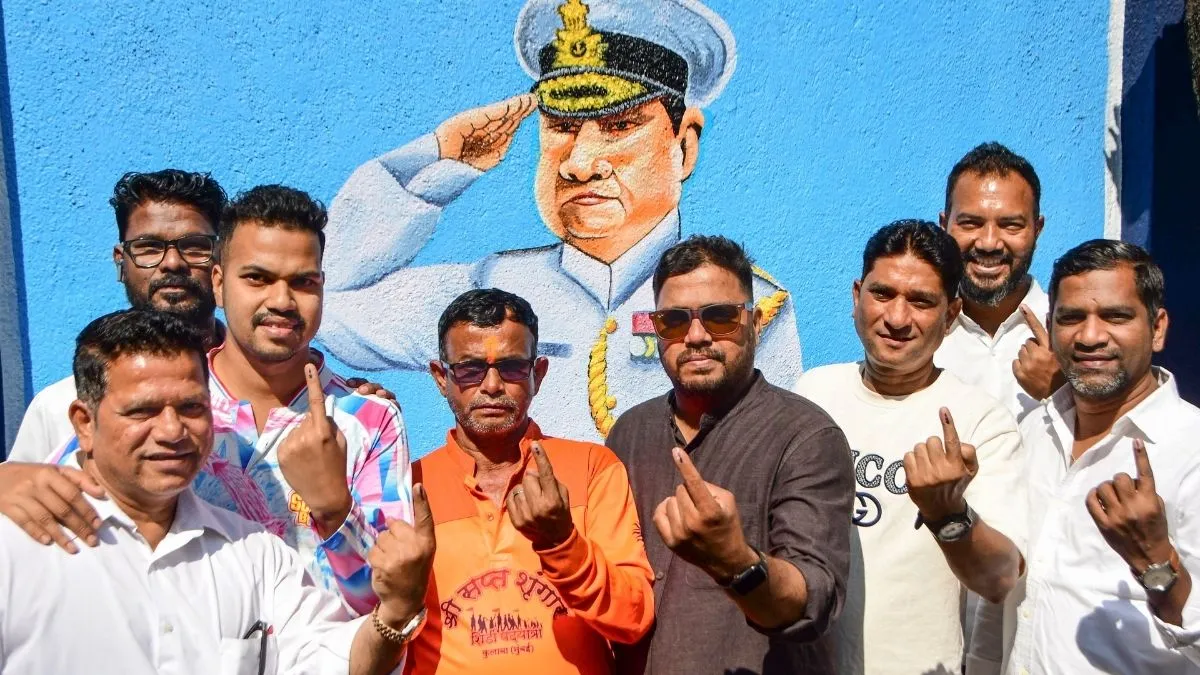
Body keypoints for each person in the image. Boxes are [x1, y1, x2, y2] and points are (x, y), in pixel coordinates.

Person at [317, 0, 803, 443]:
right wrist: (440, 162)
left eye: (619, 126)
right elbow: (325, 298)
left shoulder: (744, 309)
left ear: (685, 145)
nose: (580, 163)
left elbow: (772, 459)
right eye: (563, 127)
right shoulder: (493, 288)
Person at [0, 185, 412, 616]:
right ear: (217, 283)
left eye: (303, 282)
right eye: (257, 278)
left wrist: (334, 509)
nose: (281, 301)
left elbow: (389, 604)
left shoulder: (369, 420)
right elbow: (54, 528)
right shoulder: (159, 409)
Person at [0, 309, 433, 674]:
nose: (172, 431)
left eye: (191, 407)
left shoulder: (256, 555)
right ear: (83, 423)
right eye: (143, 411)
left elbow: (329, 662)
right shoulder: (17, 545)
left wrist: (397, 611)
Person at [604, 235, 853, 674]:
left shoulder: (806, 436)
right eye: (674, 321)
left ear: (755, 322)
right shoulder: (630, 433)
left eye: (720, 317)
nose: (696, 337)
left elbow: (813, 600)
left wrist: (734, 560)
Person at [794, 220, 1026, 675]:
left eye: (921, 301)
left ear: (952, 314)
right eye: (883, 294)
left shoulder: (981, 421)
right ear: (857, 295)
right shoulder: (813, 392)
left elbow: (999, 580)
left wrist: (949, 515)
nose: (897, 318)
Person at [406, 288, 653, 674]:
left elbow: (633, 618)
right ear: (441, 378)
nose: (491, 385)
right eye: (470, 369)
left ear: (538, 374)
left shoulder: (592, 468)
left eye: (511, 368)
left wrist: (563, 544)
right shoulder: (408, 485)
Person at [1008, 240, 1200, 674]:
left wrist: (1156, 563)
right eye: (1071, 318)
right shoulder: (1034, 430)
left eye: (1116, 316)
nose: (1090, 337)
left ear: (1157, 328)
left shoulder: (1191, 452)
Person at [9, 169, 227, 459]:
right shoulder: (59, 408)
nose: (173, 263)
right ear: (121, 263)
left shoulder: (270, 391)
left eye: (195, 246)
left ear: (221, 258)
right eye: (149, 247)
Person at [936, 142, 1061, 422]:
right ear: (944, 226)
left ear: (1037, 229)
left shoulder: (1070, 333)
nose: (989, 243)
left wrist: (1065, 394)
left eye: (1010, 225)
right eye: (970, 223)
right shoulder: (920, 330)